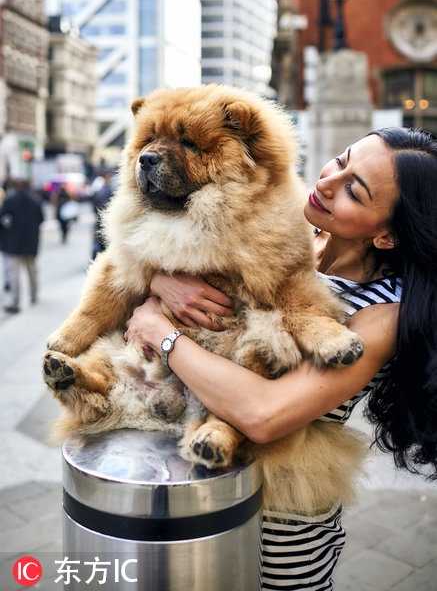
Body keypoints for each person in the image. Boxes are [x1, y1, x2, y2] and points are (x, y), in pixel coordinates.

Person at [124, 127, 437, 590]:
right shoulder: (284, 232)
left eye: (354, 189)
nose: (329, 181)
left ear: (387, 235)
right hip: (181, 484)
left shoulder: (381, 314)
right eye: (341, 159)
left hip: (275, 524)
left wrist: (162, 332)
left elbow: (263, 414)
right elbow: (160, 251)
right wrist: (161, 283)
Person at [0, 177, 44, 314]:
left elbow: (3, 220)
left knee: (14, 274)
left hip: (13, 244)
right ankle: (34, 296)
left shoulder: (10, 200)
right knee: (32, 271)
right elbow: (41, 219)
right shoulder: (35, 201)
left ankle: (15, 301)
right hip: (30, 243)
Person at [89, 171, 115, 259]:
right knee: (105, 243)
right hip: (107, 220)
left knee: (98, 243)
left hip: (99, 220)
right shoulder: (110, 191)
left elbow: (93, 204)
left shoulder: (98, 191)